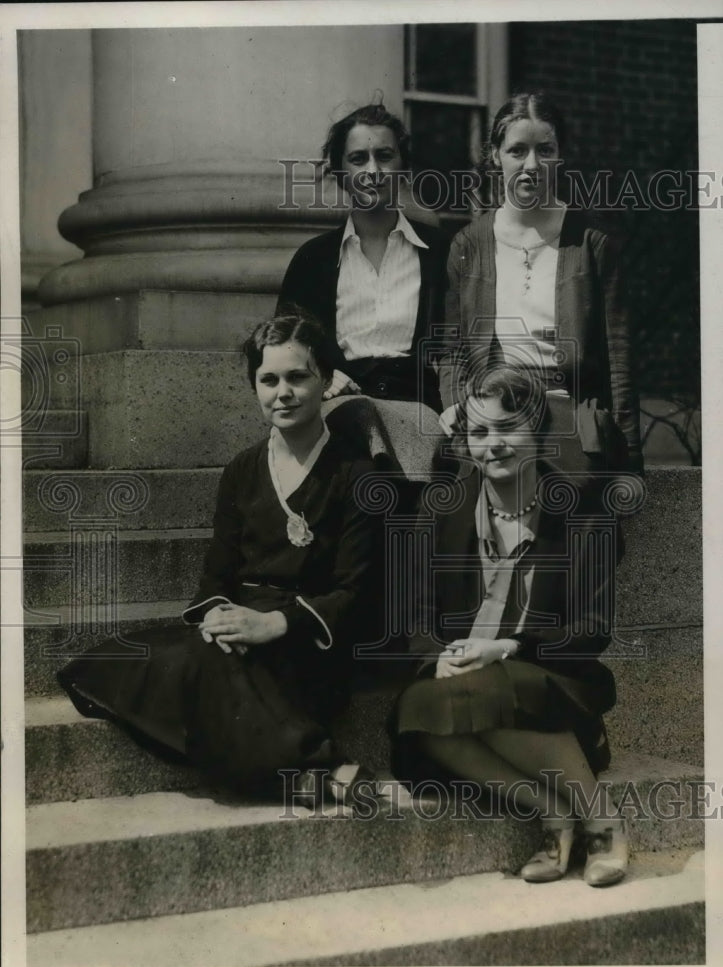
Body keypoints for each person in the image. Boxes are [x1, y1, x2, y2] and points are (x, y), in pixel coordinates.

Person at [58, 313, 381, 806]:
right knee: (119, 660)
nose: (283, 393)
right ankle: (310, 775)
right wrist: (215, 614)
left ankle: (319, 765)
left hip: (306, 637)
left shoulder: (358, 473)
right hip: (239, 625)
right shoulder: (242, 469)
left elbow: (355, 590)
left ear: (327, 380)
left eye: (298, 376)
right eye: (268, 380)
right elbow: (218, 570)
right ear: (254, 386)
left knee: (198, 670)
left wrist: (273, 624)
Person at [393, 365, 629, 886]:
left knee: (498, 684)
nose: (492, 445)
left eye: (508, 429)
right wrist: (440, 656)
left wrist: (509, 647)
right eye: (479, 433)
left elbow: (591, 630)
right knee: (415, 710)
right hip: (464, 687)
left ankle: (602, 817)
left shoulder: (585, 515)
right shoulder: (440, 510)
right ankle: (551, 808)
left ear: (540, 434)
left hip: (547, 685)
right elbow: (414, 615)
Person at [440, 91, 642, 475]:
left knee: (565, 501)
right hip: (491, 410)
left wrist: (629, 457)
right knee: (456, 508)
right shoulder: (468, 244)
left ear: (559, 156)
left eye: (545, 150)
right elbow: (453, 347)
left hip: (566, 413)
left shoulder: (591, 241)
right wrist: (454, 405)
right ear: (495, 155)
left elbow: (619, 356)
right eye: (518, 150)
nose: (532, 165)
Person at [277, 102, 449, 412]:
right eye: (358, 159)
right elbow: (283, 344)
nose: (373, 171)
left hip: (419, 410)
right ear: (342, 172)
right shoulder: (313, 260)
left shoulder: (440, 253)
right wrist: (324, 376)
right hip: (337, 406)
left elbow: (459, 347)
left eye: (384, 156)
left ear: (403, 166)